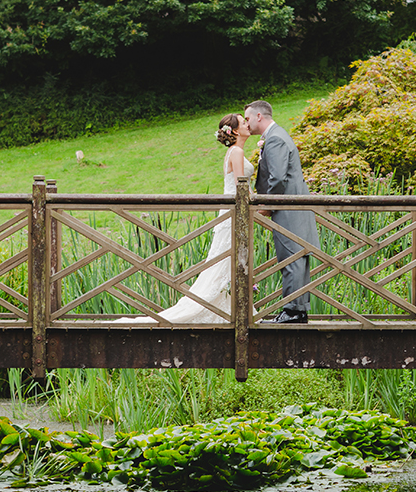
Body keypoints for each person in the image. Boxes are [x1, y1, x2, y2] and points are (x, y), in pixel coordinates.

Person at [113, 113, 254, 324]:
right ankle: (218, 309)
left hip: (230, 212)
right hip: (234, 213)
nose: (248, 124)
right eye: (244, 122)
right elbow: (240, 188)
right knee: (224, 261)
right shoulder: (237, 151)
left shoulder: (235, 151)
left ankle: (230, 309)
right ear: (234, 131)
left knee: (226, 261)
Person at [244, 100, 320, 324]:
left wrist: (268, 205)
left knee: (292, 257)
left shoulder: (275, 139)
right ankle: (297, 310)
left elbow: (276, 178)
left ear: (259, 116)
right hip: (293, 206)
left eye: (248, 118)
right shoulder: (278, 135)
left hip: (288, 208)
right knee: (296, 256)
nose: (247, 123)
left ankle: (293, 312)